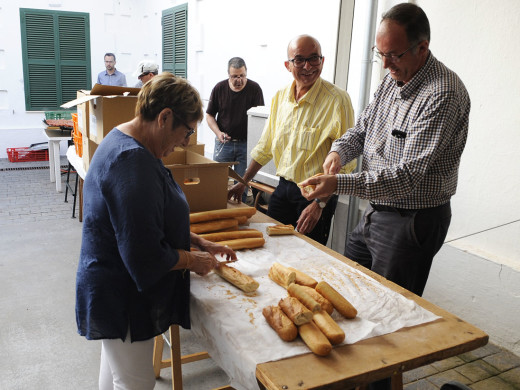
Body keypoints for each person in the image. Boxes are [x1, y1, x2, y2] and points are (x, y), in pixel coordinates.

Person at [75, 72, 236, 389]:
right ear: (164, 117)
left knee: (116, 374)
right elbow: (143, 254)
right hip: (121, 294)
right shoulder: (131, 162)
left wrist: (198, 241)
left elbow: (147, 220)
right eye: (186, 131)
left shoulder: (127, 139)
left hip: (110, 284)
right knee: (135, 383)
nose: (185, 142)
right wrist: (193, 260)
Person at [229, 35, 356, 246]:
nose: (307, 66)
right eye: (299, 60)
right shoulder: (280, 98)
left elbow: (346, 163)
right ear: (288, 65)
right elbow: (266, 147)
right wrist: (243, 182)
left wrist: (320, 204)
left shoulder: (337, 100)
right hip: (283, 190)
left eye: (314, 58)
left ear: (322, 61)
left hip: (315, 195)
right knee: (272, 247)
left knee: (308, 256)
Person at [206, 57, 264, 185]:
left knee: (241, 184)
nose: (239, 80)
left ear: (246, 72)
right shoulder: (219, 88)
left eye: (242, 75)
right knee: (217, 182)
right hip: (224, 143)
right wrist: (218, 133)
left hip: (246, 145)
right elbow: (209, 115)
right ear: (228, 75)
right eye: (234, 76)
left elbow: (259, 118)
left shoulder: (255, 89)